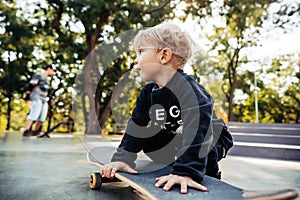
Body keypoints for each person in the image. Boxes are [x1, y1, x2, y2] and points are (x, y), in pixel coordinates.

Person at [100, 22, 231, 194]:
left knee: (205, 140)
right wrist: (123, 158)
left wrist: (186, 173)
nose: (135, 59)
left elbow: (199, 126)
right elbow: (137, 125)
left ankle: (204, 172)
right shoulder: (147, 93)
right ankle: (177, 163)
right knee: (148, 134)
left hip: (211, 135)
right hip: (175, 135)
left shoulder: (188, 89)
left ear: (164, 56)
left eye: (141, 52)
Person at [23, 64, 55, 136]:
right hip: (36, 97)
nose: (53, 72)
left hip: (44, 99)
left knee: (42, 117)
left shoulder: (47, 79)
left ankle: (35, 132)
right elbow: (30, 85)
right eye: (53, 70)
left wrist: (51, 99)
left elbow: (47, 91)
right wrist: (27, 97)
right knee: (34, 114)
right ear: (49, 69)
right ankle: (27, 131)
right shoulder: (38, 75)